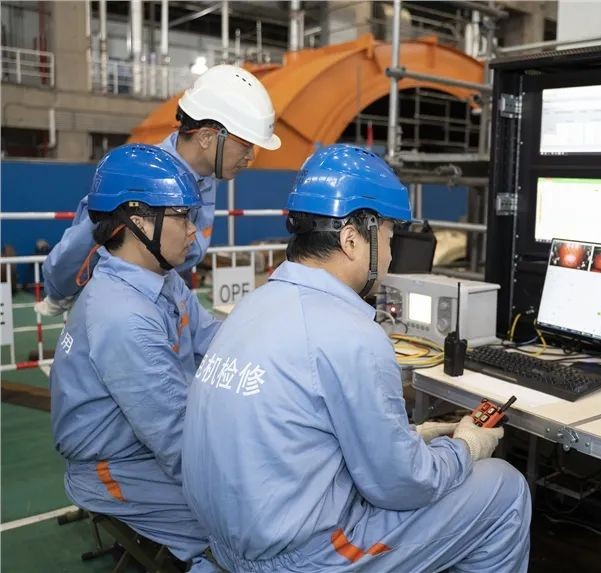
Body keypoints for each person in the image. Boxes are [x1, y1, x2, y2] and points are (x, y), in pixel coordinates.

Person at [182, 144, 532, 573]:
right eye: (388, 238)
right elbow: (402, 485)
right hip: (301, 559)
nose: (390, 255)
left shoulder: (253, 306)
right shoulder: (352, 335)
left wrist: (415, 437)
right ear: (351, 239)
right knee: (504, 487)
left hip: (227, 544)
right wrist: (464, 447)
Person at [50, 144, 221, 572]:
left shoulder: (163, 280)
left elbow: (212, 340)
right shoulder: (123, 316)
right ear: (140, 221)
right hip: (116, 469)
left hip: (145, 447)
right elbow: (175, 440)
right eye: (182, 216)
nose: (194, 231)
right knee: (241, 524)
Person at [38, 64, 282, 315]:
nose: (251, 156)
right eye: (246, 145)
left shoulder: (206, 176)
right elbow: (84, 242)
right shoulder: (141, 177)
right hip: (126, 305)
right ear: (207, 137)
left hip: (167, 290)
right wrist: (58, 291)